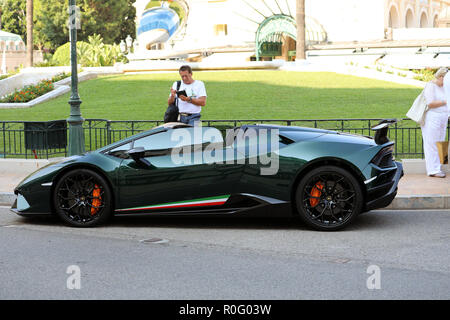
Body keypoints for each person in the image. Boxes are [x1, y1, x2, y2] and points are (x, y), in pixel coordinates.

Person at [422, 67, 449, 178]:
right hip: (432, 118)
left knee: (441, 143)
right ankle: (432, 170)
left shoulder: (445, 87)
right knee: (431, 143)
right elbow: (430, 103)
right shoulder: (430, 86)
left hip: (443, 117)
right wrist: (446, 101)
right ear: (441, 77)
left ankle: (440, 167)